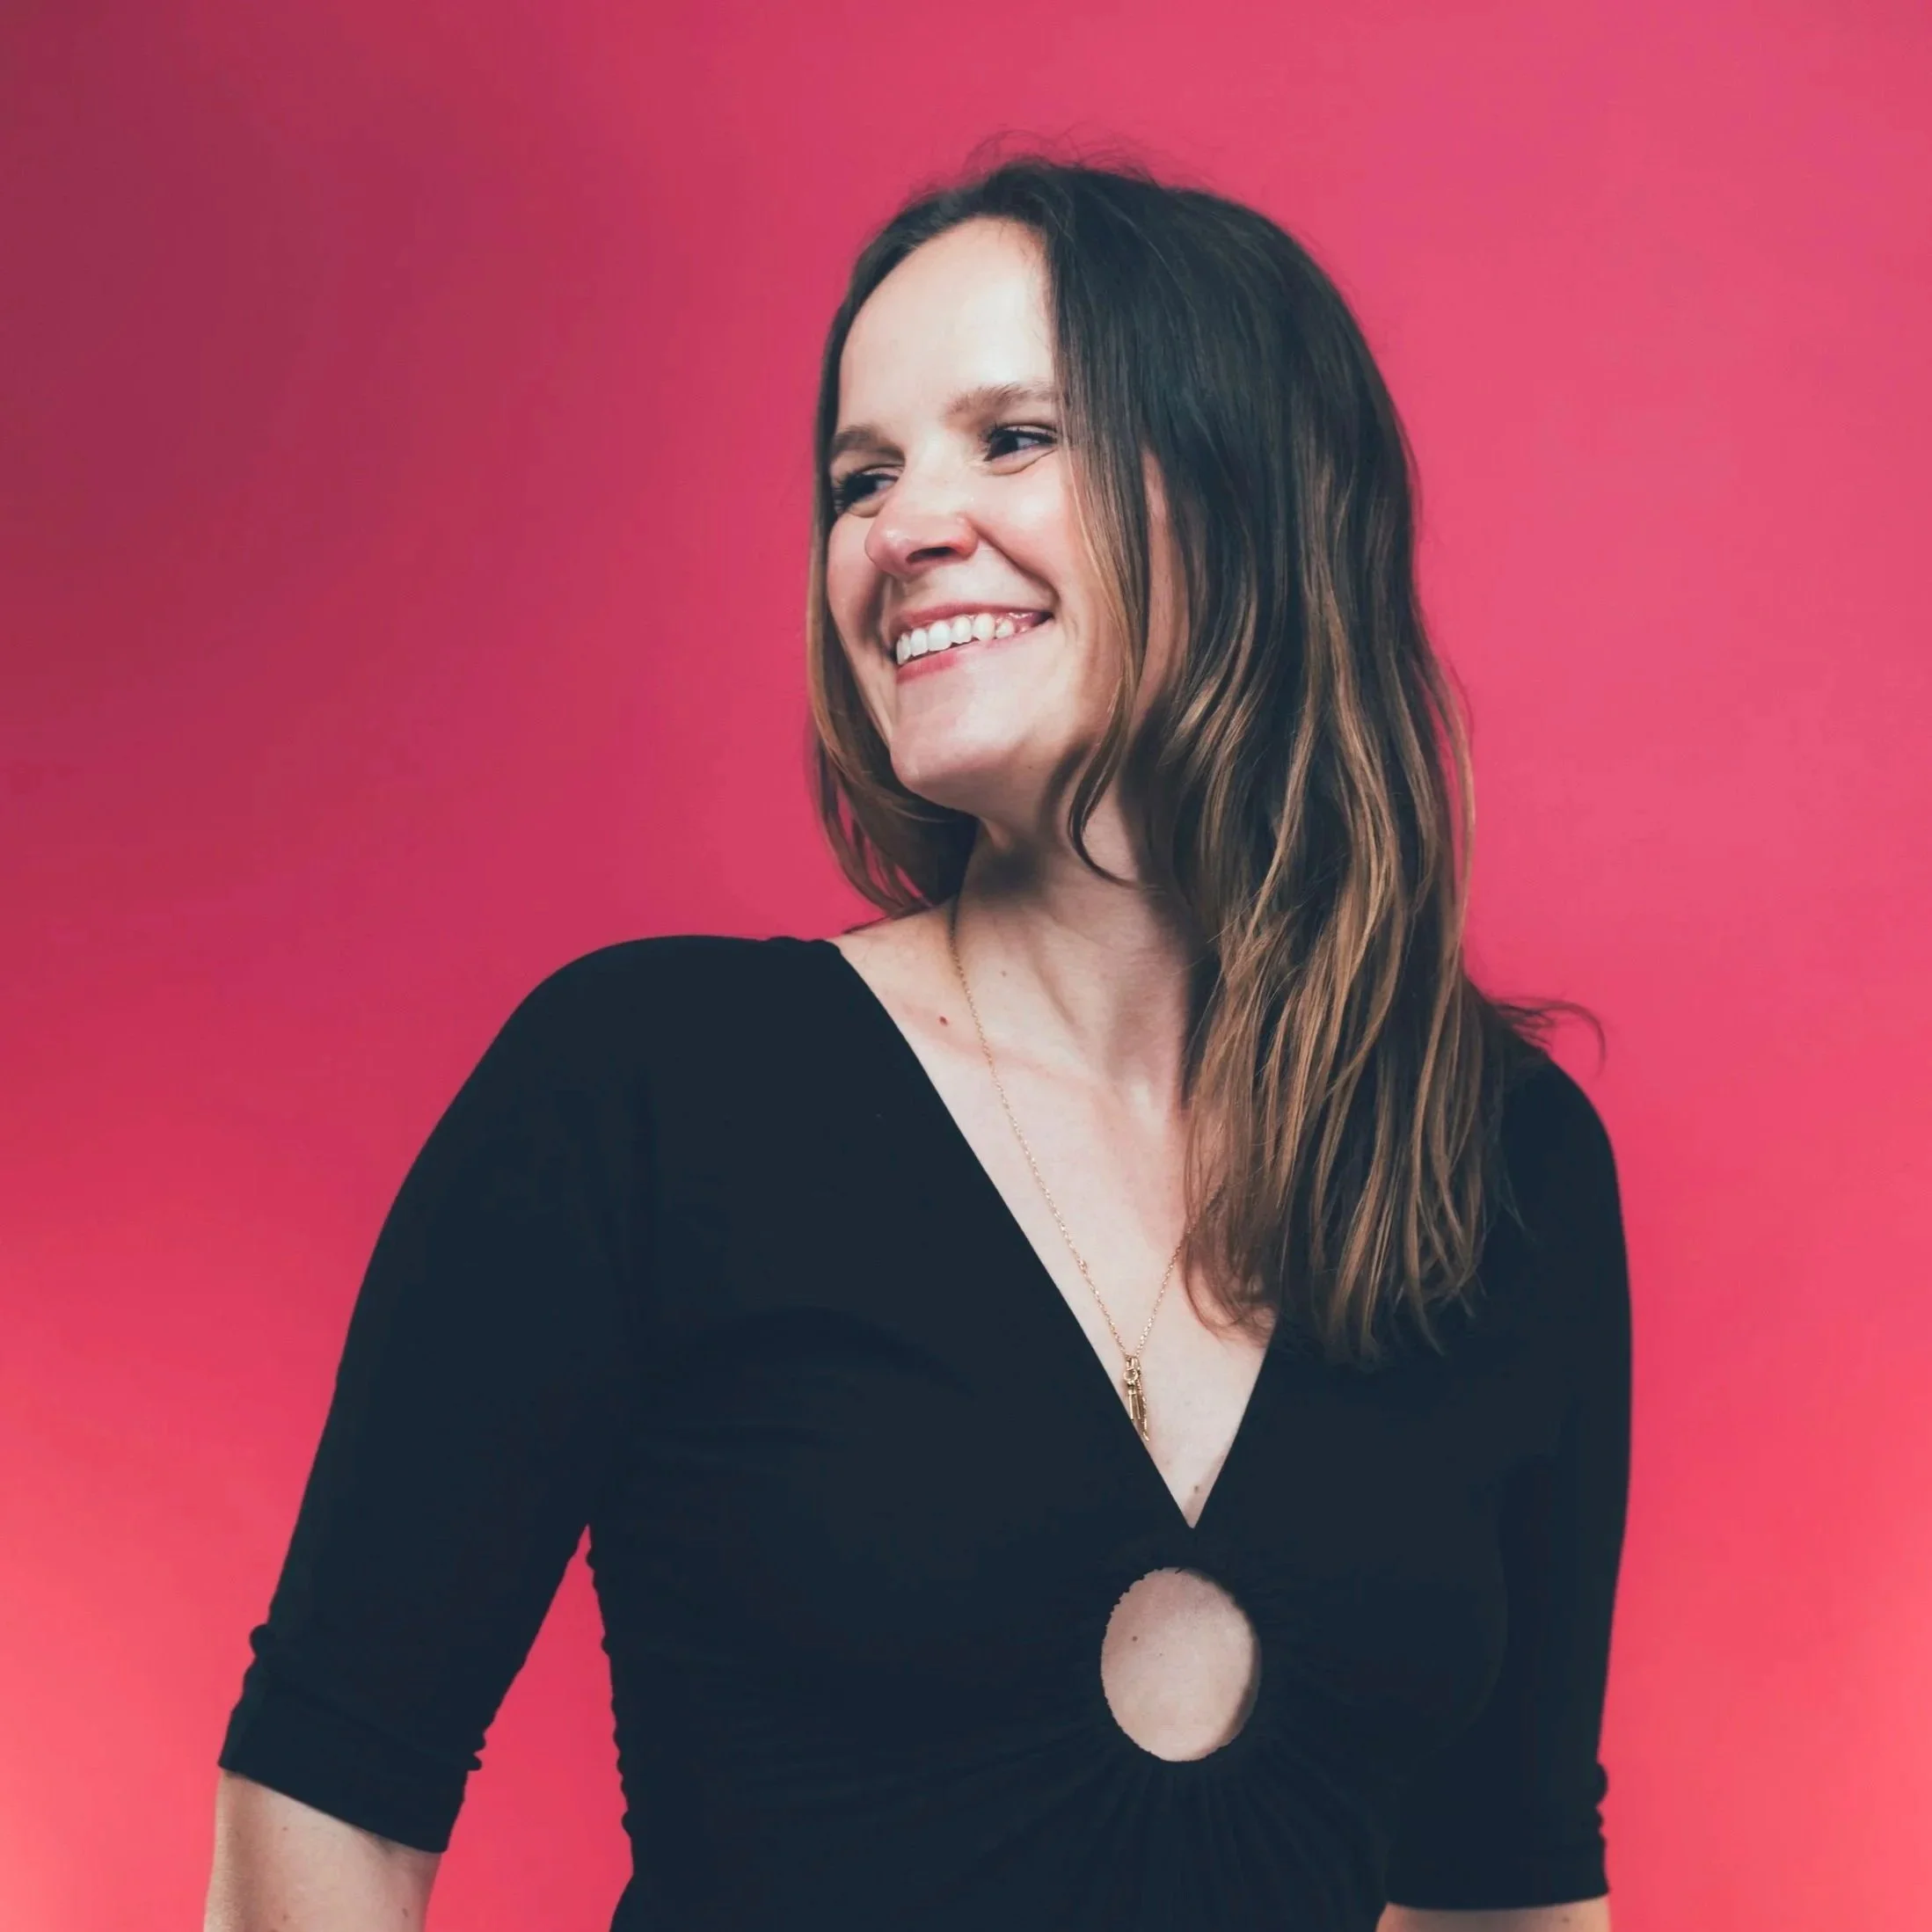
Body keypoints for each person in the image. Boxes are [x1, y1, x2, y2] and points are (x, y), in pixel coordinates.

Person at [205, 154, 1632, 1932]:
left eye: (1011, 438)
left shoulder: (1505, 1174)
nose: (899, 529)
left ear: (1250, 494)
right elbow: (329, 1795)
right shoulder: (649, 1087)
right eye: (861, 476)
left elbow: (1512, 1886)